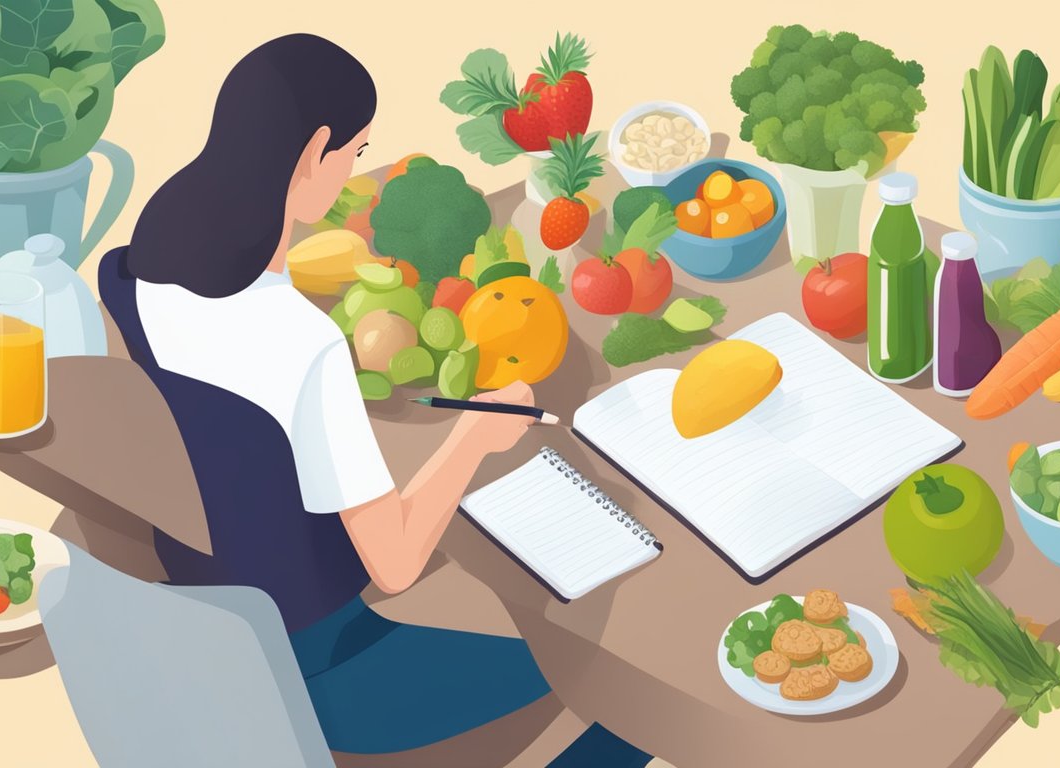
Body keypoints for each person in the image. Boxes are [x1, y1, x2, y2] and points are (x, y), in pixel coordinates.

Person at [106, 33, 667, 767]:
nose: (348, 176)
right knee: (629, 694)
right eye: (355, 153)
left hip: (212, 608)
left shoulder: (141, 259)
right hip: (325, 671)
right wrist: (474, 437)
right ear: (314, 151)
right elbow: (396, 564)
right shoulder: (298, 342)